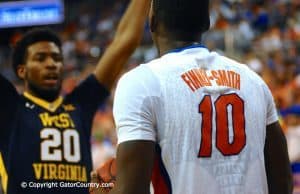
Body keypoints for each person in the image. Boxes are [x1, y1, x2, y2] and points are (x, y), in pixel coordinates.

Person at [92, 0, 293, 193]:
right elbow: (283, 182)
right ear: (206, 22)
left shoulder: (141, 83)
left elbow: (132, 190)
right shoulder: (253, 81)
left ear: (152, 21)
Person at [0, 0, 150, 193]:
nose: (51, 64)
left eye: (57, 58)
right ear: (22, 71)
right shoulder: (10, 107)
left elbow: (124, 43)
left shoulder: (80, 105)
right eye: (40, 58)